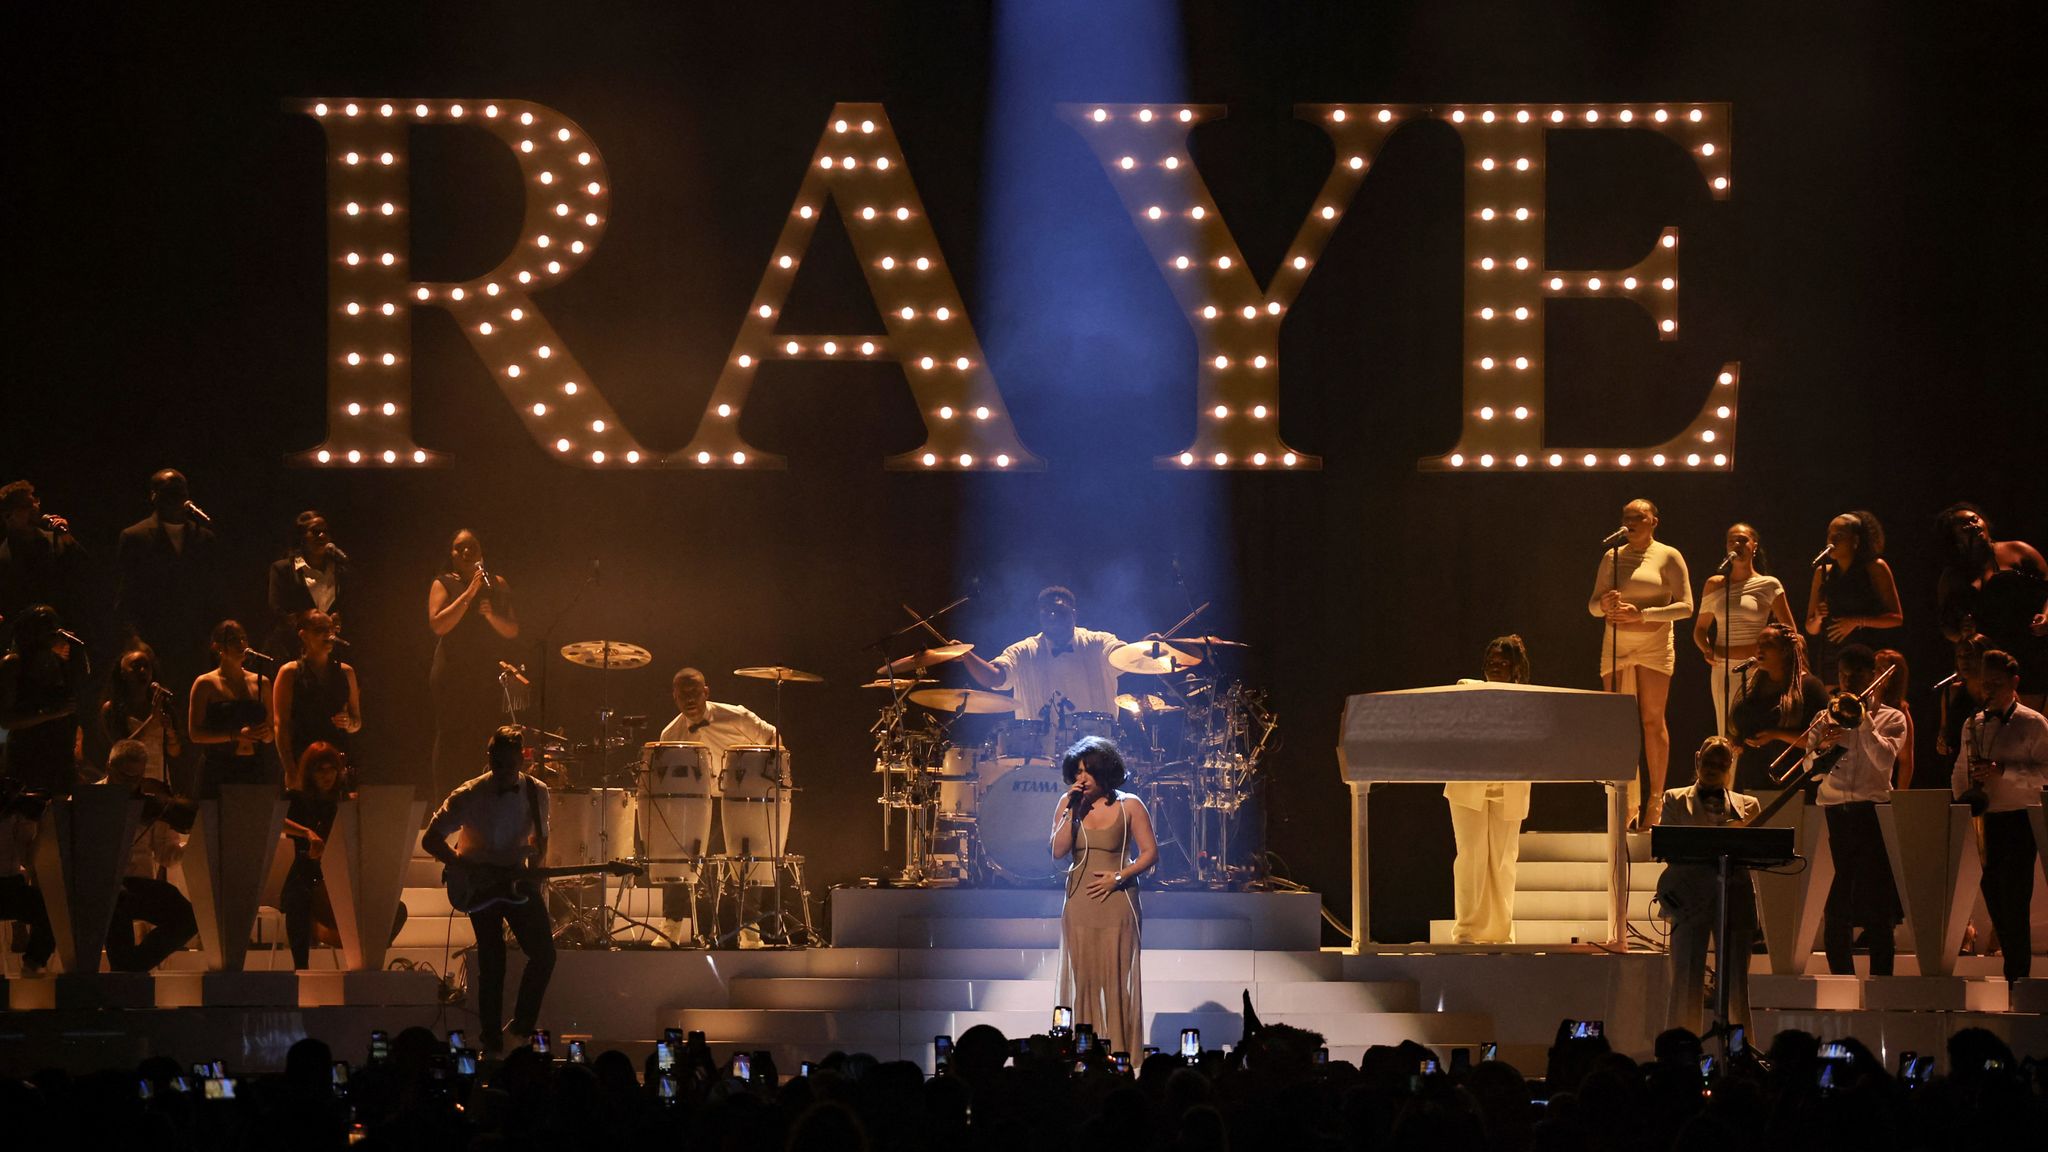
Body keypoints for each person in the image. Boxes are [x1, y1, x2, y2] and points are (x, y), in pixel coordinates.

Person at [421, 726, 554, 1054]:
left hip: (515, 878)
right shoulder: (468, 794)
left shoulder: (538, 793)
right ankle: (491, 1037)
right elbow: (431, 838)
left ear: (521, 760)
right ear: (489, 759)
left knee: (544, 954)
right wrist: (464, 866)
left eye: (509, 764)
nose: (503, 771)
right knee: (492, 961)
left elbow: (541, 839)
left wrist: (537, 868)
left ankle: (521, 1027)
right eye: (498, 763)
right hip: (479, 885)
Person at [658, 666, 785, 944]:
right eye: (683, 694)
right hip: (700, 803)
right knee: (678, 852)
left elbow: (774, 738)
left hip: (741, 800)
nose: (689, 699)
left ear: (706, 692)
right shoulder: (670, 733)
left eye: (695, 692)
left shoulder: (736, 715)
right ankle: (671, 927)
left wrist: (770, 772)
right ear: (674, 697)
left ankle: (750, 932)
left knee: (748, 860)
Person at [1049, 736, 1158, 1057]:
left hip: (1118, 900)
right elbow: (1058, 851)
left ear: (1105, 772)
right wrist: (1072, 809)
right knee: (1084, 981)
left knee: (1114, 979)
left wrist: (1119, 876)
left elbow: (1150, 853)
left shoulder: (1130, 805)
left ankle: (1121, 1053)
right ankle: (1086, 1052)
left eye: (1089, 771)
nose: (1082, 778)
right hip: (1080, 901)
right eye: (1078, 771)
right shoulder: (1067, 805)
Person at [1587, 499, 1693, 827]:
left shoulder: (1668, 555)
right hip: (1617, 643)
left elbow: (1686, 606)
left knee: (1651, 720)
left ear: (1654, 521)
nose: (1631, 521)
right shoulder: (1612, 556)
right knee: (1617, 721)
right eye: (1626, 517)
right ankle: (1624, 800)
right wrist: (1603, 604)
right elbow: (1592, 607)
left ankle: (1656, 800)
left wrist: (1644, 614)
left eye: (1639, 517)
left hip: (1654, 642)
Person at [1951, 650, 2048, 983]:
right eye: (1985, 683)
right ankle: (2012, 974)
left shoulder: (2033, 723)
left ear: (2014, 682)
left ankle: (2017, 977)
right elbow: (1960, 769)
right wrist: (1965, 797)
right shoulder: (1973, 722)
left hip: (2019, 819)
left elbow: (2045, 774)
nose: (1988, 689)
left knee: (2015, 901)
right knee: (1992, 897)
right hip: (1985, 819)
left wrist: (2002, 771)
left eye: (1996, 683)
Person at [1655, 737, 1760, 1035]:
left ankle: (1741, 1051)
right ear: (1697, 759)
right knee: (1686, 977)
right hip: (1689, 897)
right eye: (1708, 762)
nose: (1713, 768)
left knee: (1737, 982)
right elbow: (1669, 846)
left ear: (1729, 766)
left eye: (1720, 764)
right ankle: (1681, 1045)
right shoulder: (1674, 798)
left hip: (1734, 897)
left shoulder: (1748, 805)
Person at [1813, 645, 1907, 976]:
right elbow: (1811, 769)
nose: (1848, 681)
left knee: (1878, 904)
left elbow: (1885, 763)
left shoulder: (1892, 718)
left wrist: (1863, 723)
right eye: (1842, 674)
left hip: (1873, 813)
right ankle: (1840, 979)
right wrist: (1823, 745)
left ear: (1873, 676)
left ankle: (1882, 982)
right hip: (1834, 813)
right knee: (1835, 903)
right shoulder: (1826, 715)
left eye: (1855, 674)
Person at [280, 741, 406, 969]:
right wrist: (306, 832)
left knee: (396, 909)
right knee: (298, 899)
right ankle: (301, 969)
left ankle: (368, 961)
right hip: (307, 871)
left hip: (343, 877)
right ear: (310, 772)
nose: (327, 775)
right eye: (320, 770)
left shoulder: (345, 802)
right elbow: (276, 820)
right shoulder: (297, 799)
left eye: (332, 769)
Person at [1443, 635, 1534, 944]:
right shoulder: (1467, 687)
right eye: (1492, 662)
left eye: (1503, 663)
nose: (1496, 667)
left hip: (1509, 787)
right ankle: (1467, 930)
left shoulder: (1526, 698)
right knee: (1470, 857)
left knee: (1503, 861)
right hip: (1470, 787)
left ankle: (1500, 931)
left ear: (1515, 668)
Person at [427, 530, 519, 800]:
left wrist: (491, 616)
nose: (467, 552)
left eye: (472, 547)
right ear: (452, 554)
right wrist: (469, 593)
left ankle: (486, 801)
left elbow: (512, 629)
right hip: (452, 672)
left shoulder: (498, 583)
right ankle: (446, 802)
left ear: (482, 552)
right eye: (460, 548)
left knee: (485, 736)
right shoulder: (443, 583)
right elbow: (438, 624)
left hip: (485, 672)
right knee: (452, 735)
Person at [113, 469, 223, 694]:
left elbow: (213, 592)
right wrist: (133, 638)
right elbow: (124, 594)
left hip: (195, 640)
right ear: (154, 496)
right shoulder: (135, 537)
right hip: (154, 639)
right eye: (169, 492)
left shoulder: (203, 537)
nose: (177, 498)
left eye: (180, 492)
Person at [1934, 503, 2048, 702]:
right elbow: (1947, 627)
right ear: (1954, 538)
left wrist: (2047, 616)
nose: (1974, 525)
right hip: (1986, 662)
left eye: (1975, 519)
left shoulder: (2018, 550)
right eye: (1964, 526)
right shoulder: (1953, 575)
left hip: (2030, 648)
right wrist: (1962, 632)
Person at [103, 739, 198, 972]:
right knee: (114, 908)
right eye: (125, 777)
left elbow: (166, 856)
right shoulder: (90, 800)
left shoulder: (151, 804)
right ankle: (128, 973)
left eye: (137, 778)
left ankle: (131, 969)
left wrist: (194, 845)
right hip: (104, 887)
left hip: (140, 884)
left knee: (189, 917)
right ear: (109, 769)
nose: (131, 784)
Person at [961, 586, 1128, 719]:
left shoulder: (1099, 642)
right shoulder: (1023, 651)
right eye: (1047, 613)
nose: (1053, 617)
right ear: (1040, 617)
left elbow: (1125, 657)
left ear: (1074, 614)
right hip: (1039, 756)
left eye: (1060, 612)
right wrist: (966, 654)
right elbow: (994, 678)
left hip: (1096, 752)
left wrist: (1145, 648)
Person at [1692, 521, 1795, 737]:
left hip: (1756, 669)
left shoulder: (1768, 584)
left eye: (1742, 540)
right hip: (1722, 668)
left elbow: (1790, 631)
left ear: (1754, 546)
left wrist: (1767, 654)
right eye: (1732, 541)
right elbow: (1700, 630)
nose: (1737, 544)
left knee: (1749, 731)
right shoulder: (1715, 584)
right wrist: (1706, 649)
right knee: (1725, 731)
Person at [1803, 510, 1904, 684]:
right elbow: (1810, 628)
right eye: (1830, 535)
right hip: (1832, 657)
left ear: (1855, 541)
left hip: (1866, 653)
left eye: (1839, 535)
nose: (1832, 541)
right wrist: (1818, 617)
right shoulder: (1822, 573)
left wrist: (1856, 621)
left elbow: (1896, 618)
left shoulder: (1875, 568)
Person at [1727, 623, 1829, 793]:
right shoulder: (1753, 686)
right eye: (1758, 644)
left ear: (1784, 651)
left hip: (1792, 780)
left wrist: (1776, 734)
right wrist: (1736, 740)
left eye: (1767, 644)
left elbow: (1822, 739)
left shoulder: (1809, 687)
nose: (1760, 649)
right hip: (1753, 777)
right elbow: (1740, 726)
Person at [0, 604, 89, 798]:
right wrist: (52, 713)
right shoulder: (13, 664)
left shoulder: (58, 665)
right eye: (44, 624)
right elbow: (5, 721)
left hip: (60, 764)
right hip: (27, 763)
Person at [186, 620, 275, 800]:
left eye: (244, 639)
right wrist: (235, 735)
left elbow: (272, 731)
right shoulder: (205, 684)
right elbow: (195, 734)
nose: (241, 644)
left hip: (254, 767)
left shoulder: (262, 682)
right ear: (218, 647)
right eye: (234, 640)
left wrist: (265, 734)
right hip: (219, 767)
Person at [273, 611, 361, 777]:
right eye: (320, 629)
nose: (328, 634)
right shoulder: (289, 672)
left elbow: (357, 722)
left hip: (336, 761)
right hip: (303, 759)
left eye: (330, 629)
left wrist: (348, 723)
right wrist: (290, 769)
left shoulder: (346, 672)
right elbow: (281, 726)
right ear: (304, 635)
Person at [0, 481, 88, 646]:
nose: (35, 507)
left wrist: (67, 538)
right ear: (8, 515)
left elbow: (84, 574)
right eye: (27, 505)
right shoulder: (3, 558)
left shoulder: (55, 540)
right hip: (28, 644)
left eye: (35, 501)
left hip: (66, 635)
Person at [267, 510, 351, 661]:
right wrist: (313, 626)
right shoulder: (283, 569)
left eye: (325, 531)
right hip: (292, 649)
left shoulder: (339, 570)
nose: (322, 536)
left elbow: (348, 605)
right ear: (301, 537)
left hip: (327, 650)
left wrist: (338, 617)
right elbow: (277, 610)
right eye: (315, 532)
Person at [98, 644, 182, 787]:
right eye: (136, 666)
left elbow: (174, 753)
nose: (142, 671)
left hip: (159, 782)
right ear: (123, 673)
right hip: (128, 782)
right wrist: (151, 721)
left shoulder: (162, 705)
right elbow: (121, 751)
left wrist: (170, 733)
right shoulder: (112, 709)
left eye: (146, 666)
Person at [0, 777, 55, 976]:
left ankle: (32, 965)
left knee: (52, 912)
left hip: (11, 883)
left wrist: (32, 824)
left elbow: (27, 856)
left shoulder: (15, 807)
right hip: (10, 882)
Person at [1872, 648, 1914, 788]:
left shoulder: (1899, 712)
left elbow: (1906, 760)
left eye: (1879, 668)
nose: (1872, 671)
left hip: (1878, 787)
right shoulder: (1861, 703)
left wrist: (1900, 796)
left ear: (1892, 677)